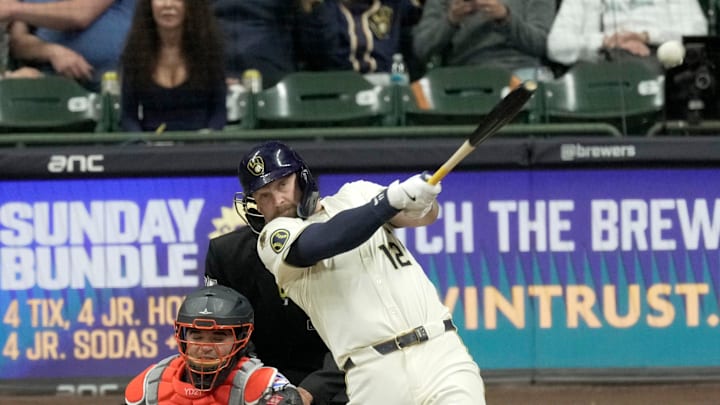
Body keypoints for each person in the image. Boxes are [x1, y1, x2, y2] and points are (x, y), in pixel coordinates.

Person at [235, 141, 485, 405]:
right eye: (264, 195)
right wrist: (389, 200)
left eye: (282, 185)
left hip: (440, 354)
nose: (278, 200)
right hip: (374, 372)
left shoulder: (358, 193)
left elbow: (423, 216)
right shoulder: (271, 240)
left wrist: (422, 199)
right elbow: (324, 240)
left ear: (302, 177)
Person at [205, 225, 347, 405]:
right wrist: (263, 383)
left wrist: (310, 391)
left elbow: (361, 337)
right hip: (257, 377)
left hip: (338, 377)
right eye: (264, 195)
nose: (278, 201)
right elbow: (226, 336)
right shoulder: (226, 251)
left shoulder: (342, 241)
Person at [124, 284, 302, 405]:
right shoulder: (150, 383)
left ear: (242, 337)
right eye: (197, 336)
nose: (206, 347)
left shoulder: (266, 386)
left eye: (218, 338)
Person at [119, 0, 226, 132]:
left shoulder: (209, 50)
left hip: (200, 145)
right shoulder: (134, 53)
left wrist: (209, 136)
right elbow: (128, 117)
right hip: (151, 147)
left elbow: (219, 112)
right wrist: (142, 144)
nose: (168, 4)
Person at [3, 0, 136, 90]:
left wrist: (13, 8)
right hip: (53, 82)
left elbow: (81, 15)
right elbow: (17, 42)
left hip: (115, 84)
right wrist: (51, 51)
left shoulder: (18, 9)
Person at [413, 0, 556, 81]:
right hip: (465, 75)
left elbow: (541, 44)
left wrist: (505, 18)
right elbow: (422, 48)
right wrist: (451, 21)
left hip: (521, 68)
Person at [547, 0, 708, 66]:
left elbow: (698, 33)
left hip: (662, 67)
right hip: (603, 70)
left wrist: (647, 37)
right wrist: (606, 40)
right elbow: (556, 44)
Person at [296, 0, 423, 76]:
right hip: (339, 91)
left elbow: (424, 17)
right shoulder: (325, 10)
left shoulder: (394, 4)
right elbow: (324, 56)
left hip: (388, 90)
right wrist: (316, 11)